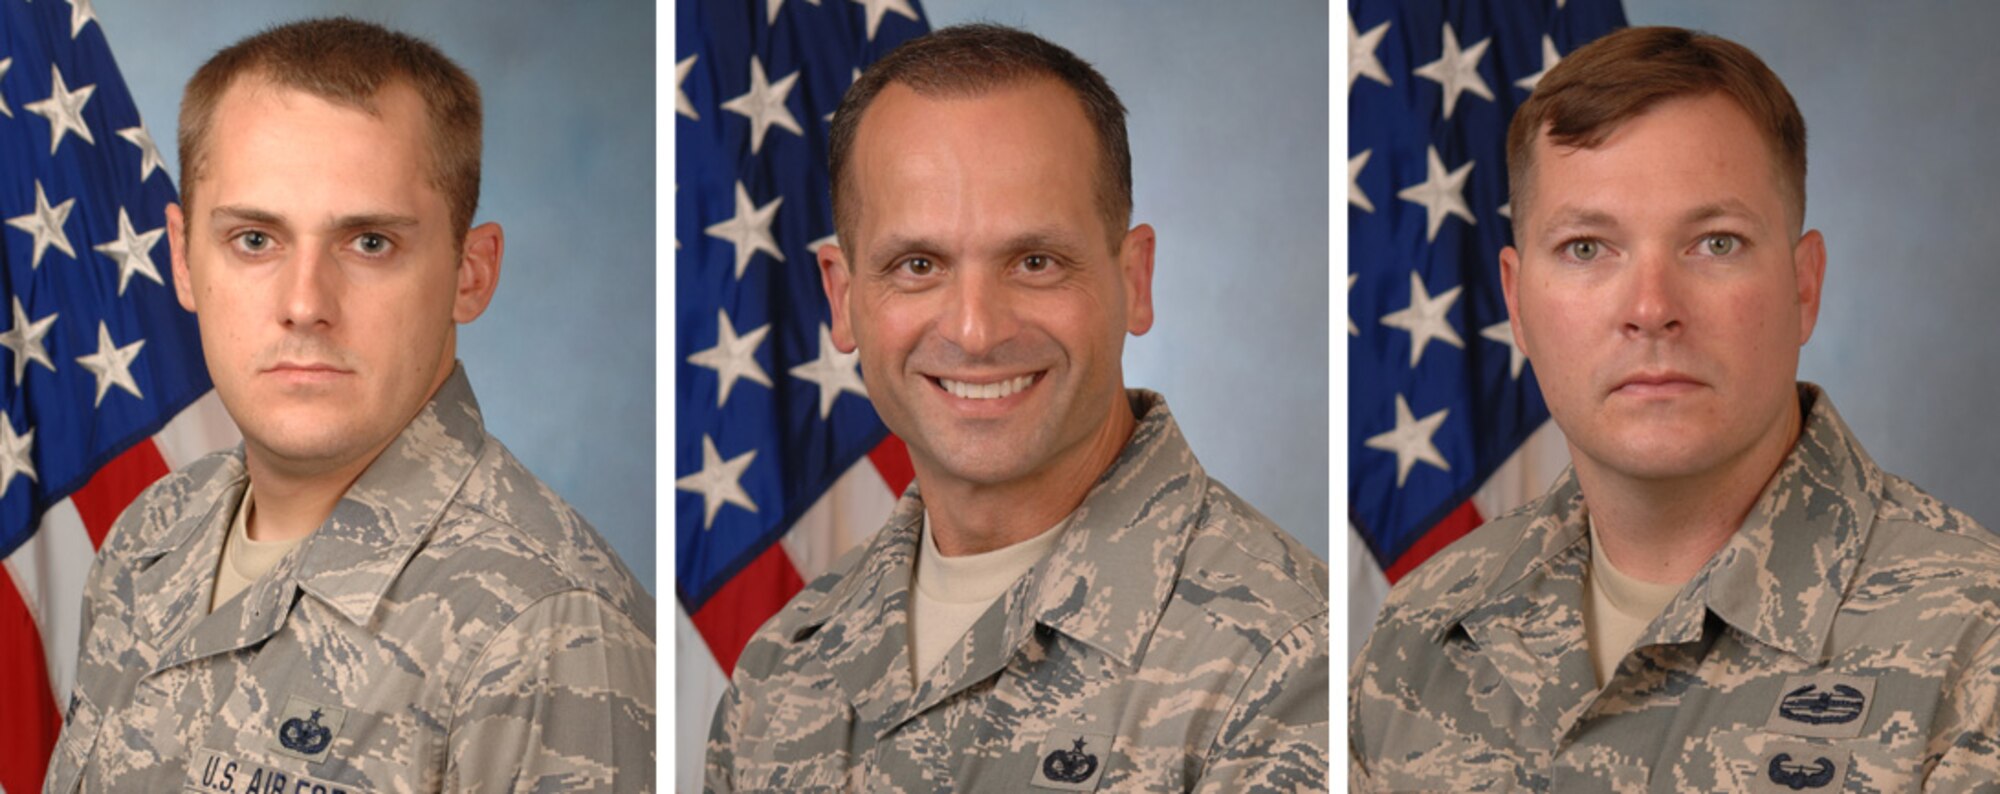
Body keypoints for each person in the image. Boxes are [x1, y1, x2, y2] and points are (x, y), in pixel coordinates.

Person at [1350, 26, 2000, 790]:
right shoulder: (1420, 632)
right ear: (1517, 304)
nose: (1652, 308)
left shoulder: (1974, 648)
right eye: (1588, 248)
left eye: (1715, 244)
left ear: (1803, 286)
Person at [704, 24, 1329, 793]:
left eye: (1035, 262)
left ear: (1134, 280)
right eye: (918, 265)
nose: (975, 330)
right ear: (842, 297)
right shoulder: (779, 670)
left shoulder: (1288, 664)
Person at [42, 18, 654, 792]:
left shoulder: (544, 629)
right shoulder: (151, 540)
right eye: (255, 240)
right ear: (183, 259)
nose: (304, 304)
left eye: (369, 243)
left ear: (471, 273)